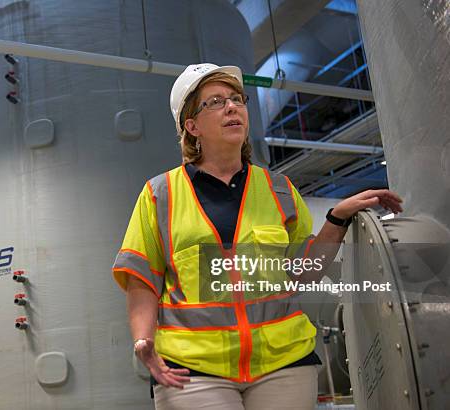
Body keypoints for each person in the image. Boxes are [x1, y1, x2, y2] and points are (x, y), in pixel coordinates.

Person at [112, 63, 403, 409]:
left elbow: (303, 272)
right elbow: (142, 278)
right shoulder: (160, 194)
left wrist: (336, 218)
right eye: (216, 102)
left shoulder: (278, 189)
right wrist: (143, 339)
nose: (232, 107)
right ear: (191, 126)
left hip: (284, 363)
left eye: (237, 99)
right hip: (193, 369)